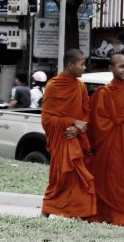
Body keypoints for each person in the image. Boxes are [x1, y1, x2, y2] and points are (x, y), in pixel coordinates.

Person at [88, 53, 124, 228]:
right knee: (107, 181)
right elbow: (97, 123)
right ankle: (108, 217)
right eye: (121, 66)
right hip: (108, 147)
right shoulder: (103, 93)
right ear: (111, 68)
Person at [39, 48, 96, 220]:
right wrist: (71, 122)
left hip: (75, 138)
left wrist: (78, 127)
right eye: (82, 64)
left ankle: (78, 214)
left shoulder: (80, 86)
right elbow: (47, 119)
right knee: (60, 178)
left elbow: (86, 113)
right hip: (62, 138)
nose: (84, 68)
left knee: (78, 178)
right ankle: (45, 212)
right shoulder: (53, 86)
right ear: (70, 65)